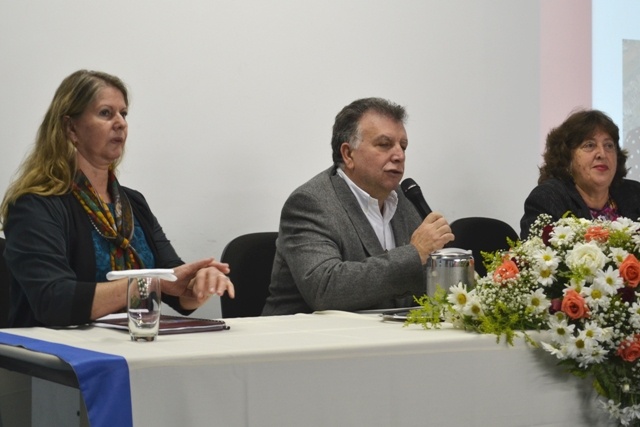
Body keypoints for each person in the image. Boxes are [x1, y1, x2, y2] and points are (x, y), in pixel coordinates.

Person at [0, 70, 235, 327]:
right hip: (56, 357)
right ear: (70, 128)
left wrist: (198, 283)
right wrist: (147, 285)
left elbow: (174, 285)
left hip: (132, 344)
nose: (120, 123)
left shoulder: (132, 203)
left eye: (123, 113)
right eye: (105, 113)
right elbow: (54, 301)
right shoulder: (35, 205)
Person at [262, 97, 454, 315]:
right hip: (308, 341)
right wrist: (414, 254)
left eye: (403, 146)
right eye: (384, 145)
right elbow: (324, 290)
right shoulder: (310, 203)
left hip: (387, 339)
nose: (399, 155)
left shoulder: (405, 200)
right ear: (348, 154)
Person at [520, 109, 640, 238]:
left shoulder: (634, 193)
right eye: (589, 145)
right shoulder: (548, 199)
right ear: (567, 156)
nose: (602, 154)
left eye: (609, 145)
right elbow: (537, 254)